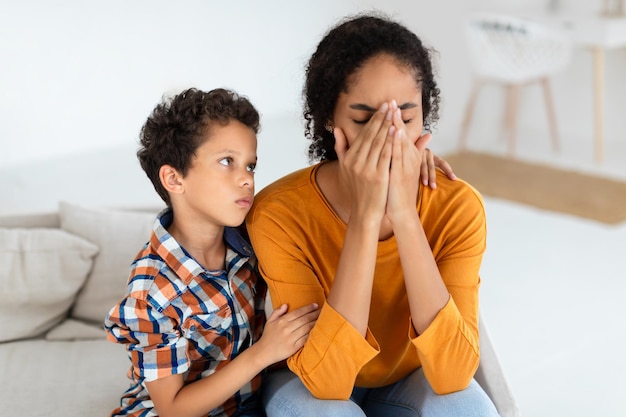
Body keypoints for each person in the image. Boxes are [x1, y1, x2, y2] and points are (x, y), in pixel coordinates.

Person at [246, 12, 500, 417]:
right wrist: (365, 219)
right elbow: (326, 381)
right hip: (306, 383)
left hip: (406, 381)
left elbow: (453, 375)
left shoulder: (457, 206)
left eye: (406, 117)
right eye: (365, 119)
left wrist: (403, 214)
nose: (390, 137)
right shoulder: (280, 213)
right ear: (330, 117)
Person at [103, 87, 321, 417]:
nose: (246, 179)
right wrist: (263, 353)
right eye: (226, 161)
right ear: (174, 179)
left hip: (243, 406)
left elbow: (317, 208)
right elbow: (173, 410)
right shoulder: (151, 293)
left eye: (250, 166)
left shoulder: (250, 245)